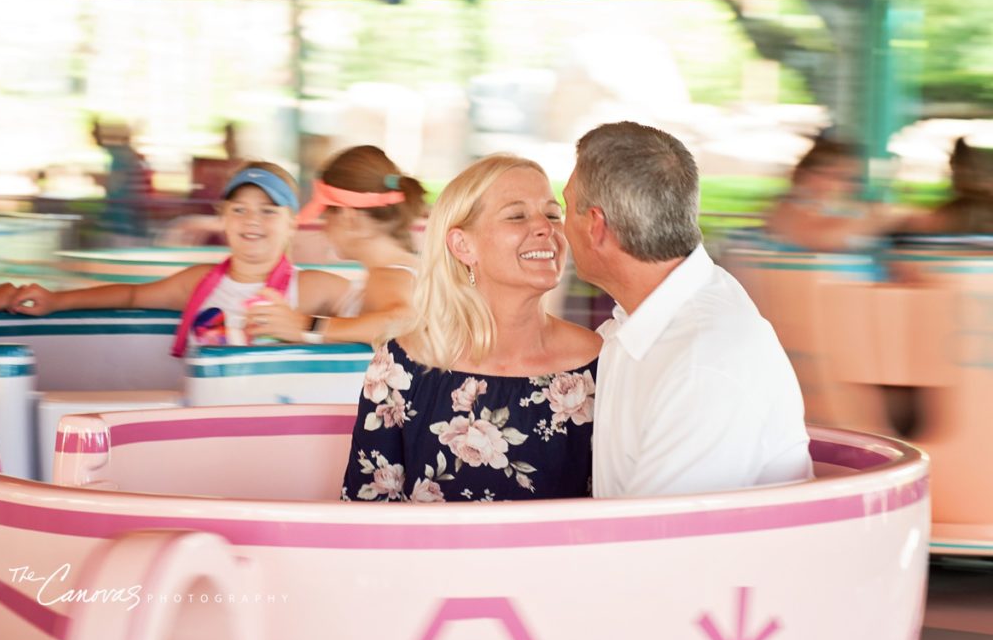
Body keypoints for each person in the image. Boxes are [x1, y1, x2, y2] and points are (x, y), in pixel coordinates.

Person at [562, 121, 812, 498]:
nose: (558, 229)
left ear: (596, 226)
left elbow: (660, 543)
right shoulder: (651, 316)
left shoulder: (703, 364)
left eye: (564, 209)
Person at [341, 154, 601, 503]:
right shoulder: (401, 366)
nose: (546, 227)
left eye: (553, 214)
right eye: (517, 215)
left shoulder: (599, 360)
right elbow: (366, 514)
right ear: (463, 245)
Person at [8, 162, 351, 354]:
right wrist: (55, 300)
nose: (252, 220)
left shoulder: (312, 288)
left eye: (268, 210)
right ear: (223, 217)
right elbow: (130, 295)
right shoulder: (198, 282)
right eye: (239, 209)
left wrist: (308, 327)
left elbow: (388, 319)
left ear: (292, 223)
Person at [297, 145, 425, 344]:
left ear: (349, 217)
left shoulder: (388, 275)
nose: (324, 228)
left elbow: (404, 321)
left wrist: (306, 326)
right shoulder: (406, 269)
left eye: (326, 215)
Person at [765, 137, 912, 252]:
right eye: (840, 176)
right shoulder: (787, 211)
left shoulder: (829, 212)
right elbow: (823, 239)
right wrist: (878, 218)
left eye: (853, 179)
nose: (849, 187)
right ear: (807, 175)